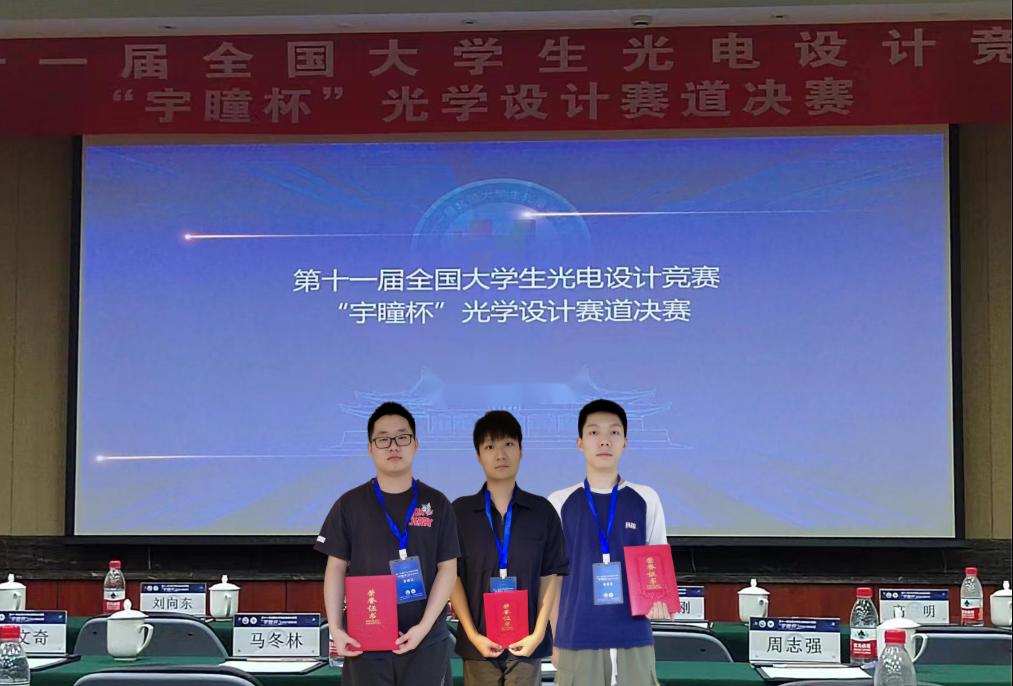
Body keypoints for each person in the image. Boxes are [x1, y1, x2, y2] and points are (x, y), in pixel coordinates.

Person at [315, 402, 460, 685]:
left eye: (402, 437)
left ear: (415, 444)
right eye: (383, 439)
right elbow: (336, 568)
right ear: (370, 448)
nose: (393, 446)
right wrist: (336, 628)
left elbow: (448, 569)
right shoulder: (349, 504)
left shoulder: (437, 503)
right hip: (365, 642)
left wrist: (423, 628)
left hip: (426, 641)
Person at [548, 399, 671, 686]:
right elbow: (553, 581)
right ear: (580, 442)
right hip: (577, 638)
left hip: (634, 637)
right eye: (594, 433)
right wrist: (556, 639)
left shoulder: (646, 498)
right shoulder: (559, 502)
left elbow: (657, 564)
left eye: (614, 432)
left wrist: (660, 601)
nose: (604, 441)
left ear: (625, 442)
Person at [450, 410, 569, 685]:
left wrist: (538, 634)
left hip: (526, 646)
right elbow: (452, 578)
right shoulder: (460, 512)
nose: (500, 455)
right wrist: (473, 635)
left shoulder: (542, 512)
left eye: (508, 444)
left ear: (521, 451)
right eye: (490, 447)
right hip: (479, 647)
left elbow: (550, 576)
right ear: (478, 455)